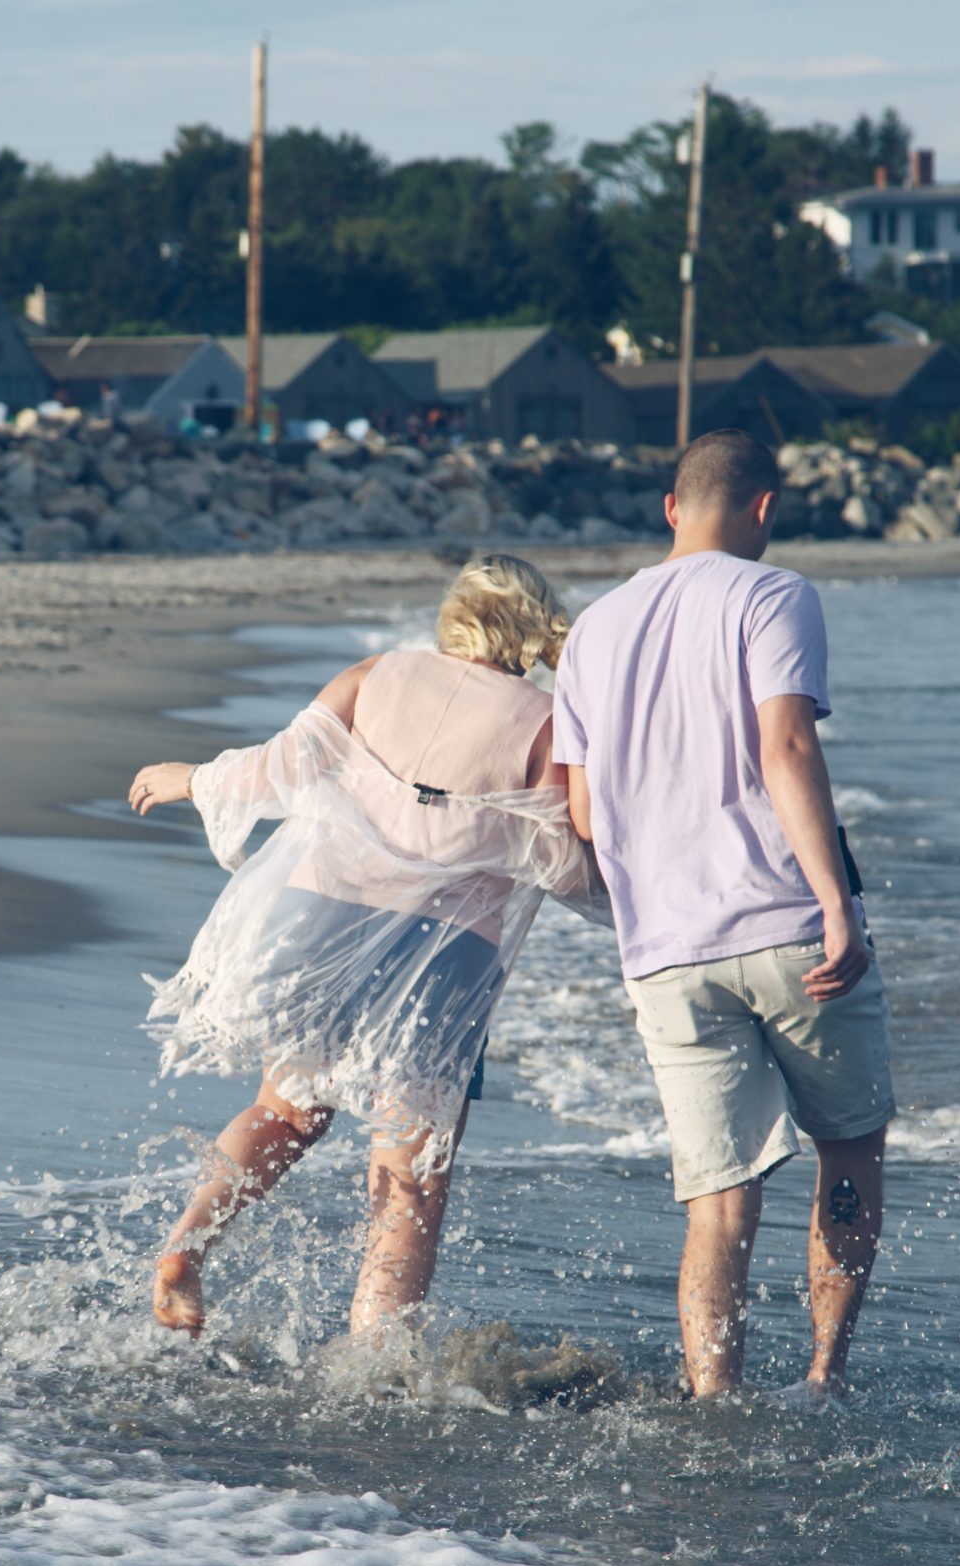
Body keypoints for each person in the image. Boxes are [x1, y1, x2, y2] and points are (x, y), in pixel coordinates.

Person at [129, 554, 604, 1338]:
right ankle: (375, 1355)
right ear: (531, 630)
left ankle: (187, 1243)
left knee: (283, 1111)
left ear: (454, 616)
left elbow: (282, 766)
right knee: (409, 1164)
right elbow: (563, 856)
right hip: (443, 950)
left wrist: (194, 778)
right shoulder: (545, 722)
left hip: (318, 920)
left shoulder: (377, 672)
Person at [552, 430, 894, 1399]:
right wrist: (839, 905)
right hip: (785, 924)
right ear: (764, 508)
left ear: (670, 507)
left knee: (718, 1202)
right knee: (849, 1144)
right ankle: (824, 1376)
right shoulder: (772, 593)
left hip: (662, 949)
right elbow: (785, 745)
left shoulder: (593, 629)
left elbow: (581, 814)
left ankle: (715, 1399)